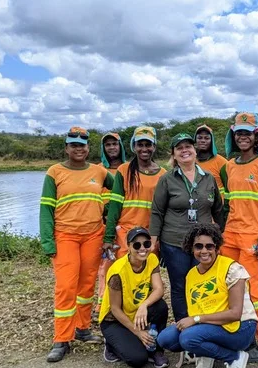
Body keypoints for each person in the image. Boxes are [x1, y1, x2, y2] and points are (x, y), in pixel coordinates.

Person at [39, 126, 114, 363]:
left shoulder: (99, 171)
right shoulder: (54, 172)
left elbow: (120, 189)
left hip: (93, 236)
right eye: (73, 145)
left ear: (88, 148)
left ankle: (82, 329)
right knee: (66, 287)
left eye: (82, 145)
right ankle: (61, 339)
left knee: (86, 285)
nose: (78, 149)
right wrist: (48, 241)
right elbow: (46, 209)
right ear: (67, 148)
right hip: (66, 237)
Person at [157, 223, 258, 368]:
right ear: (192, 248)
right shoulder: (191, 275)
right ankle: (206, 353)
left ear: (217, 248)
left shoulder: (231, 268)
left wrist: (195, 320)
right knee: (165, 338)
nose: (204, 251)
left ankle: (234, 358)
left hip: (241, 327)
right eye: (198, 246)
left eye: (209, 246)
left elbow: (235, 314)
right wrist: (192, 321)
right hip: (210, 324)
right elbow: (196, 308)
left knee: (188, 338)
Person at [220, 112, 258, 363]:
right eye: (239, 133)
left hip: (252, 237)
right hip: (229, 236)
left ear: (256, 137)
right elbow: (225, 206)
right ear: (234, 136)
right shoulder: (228, 166)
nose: (243, 138)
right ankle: (243, 335)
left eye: (247, 133)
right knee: (230, 287)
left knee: (253, 289)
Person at [150, 133, 224, 326]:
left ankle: (202, 324)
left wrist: (221, 235)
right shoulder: (167, 179)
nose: (185, 151)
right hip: (174, 242)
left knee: (203, 284)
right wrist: (153, 239)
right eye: (179, 148)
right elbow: (157, 211)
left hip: (204, 244)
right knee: (180, 286)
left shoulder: (208, 178)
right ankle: (184, 326)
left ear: (195, 150)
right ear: (173, 154)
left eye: (188, 146)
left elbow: (218, 209)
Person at [99, 227, 169, 368]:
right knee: (137, 359)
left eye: (146, 244)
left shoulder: (152, 259)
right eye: (137, 245)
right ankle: (111, 345)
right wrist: (137, 332)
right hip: (114, 320)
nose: (142, 248)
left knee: (160, 307)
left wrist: (144, 305)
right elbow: (115, 309)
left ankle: (156, 350)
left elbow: (159, 289)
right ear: (128, 247)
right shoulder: (117, 271)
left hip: (136, 312)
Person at [103, 126, 166, 259]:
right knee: (125, 272)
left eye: (148, 144)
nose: (144, 149)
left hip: (151, 233)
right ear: (134, 146)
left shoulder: (163, 174)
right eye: (140, 145)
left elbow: (165, 210)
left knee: (147, 273)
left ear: (154, 146)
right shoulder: (124, 170)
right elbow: (114, 207)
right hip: (126, 232)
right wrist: (108, 237)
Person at [96, 132, 127, 317]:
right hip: (103, 225)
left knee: (122, 265)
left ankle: (121, 304)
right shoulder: (98, 170)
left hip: (122, 226)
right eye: (108, 145)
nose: (112, 148)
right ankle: (102, 305)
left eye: (115, 144)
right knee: (104, 267)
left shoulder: (127, 169)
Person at [194, 124, 227, 197]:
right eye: (199, 138)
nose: (203, 140)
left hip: (218, 206)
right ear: (195, 140)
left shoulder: (222, 162)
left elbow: (229, 187)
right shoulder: (191, 161)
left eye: (206, 138)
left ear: (212, 140)